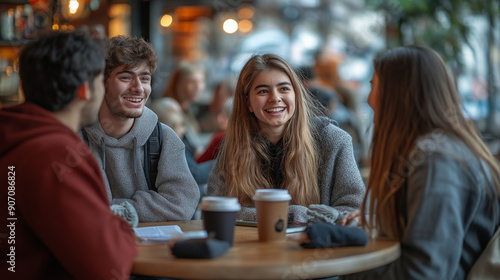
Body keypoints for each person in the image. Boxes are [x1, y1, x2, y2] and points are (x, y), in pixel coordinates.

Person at [337, 46, 500, 279]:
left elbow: (422, 274)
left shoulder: (437, 161)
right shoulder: (440, 151)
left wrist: (346, 269)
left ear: (397, 93)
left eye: (374, 85)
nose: (368, 98)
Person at [0, 31, 136, 279]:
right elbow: (107, 266)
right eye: (100, 80)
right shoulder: (55, 154)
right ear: (85, 90)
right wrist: (119, 226)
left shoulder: (15, 135)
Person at [207, 54, 365, 224]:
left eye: (284, 89)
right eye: (263, 91)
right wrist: (292, 215)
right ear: (248, 103)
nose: (275, 98)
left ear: (296, 95)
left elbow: (354, 211)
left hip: (314, 248)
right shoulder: (234, 145)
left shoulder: (333, 140)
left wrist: (286, 215)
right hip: (251, 248)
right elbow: (215, 209)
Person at [81, 36, 200, 222]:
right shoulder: (77, 138)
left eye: (145, 78)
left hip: (153, 250)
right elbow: (76, 208)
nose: (138, 88)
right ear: (102, 83)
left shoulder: (164, 138)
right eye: (126, 77)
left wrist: (111, 209)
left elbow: (182, 204)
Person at [149, 97, 215, 191]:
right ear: (169, 130)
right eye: (180, 125)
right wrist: (221, 165)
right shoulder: (173, 150)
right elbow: (193, 174)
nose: (184, 130)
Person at [162, 60, 207, 158]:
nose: (198, 87)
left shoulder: (187, 108)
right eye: (192, 82)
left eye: (202, 81)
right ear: (179, 83)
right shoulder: (169, 110)